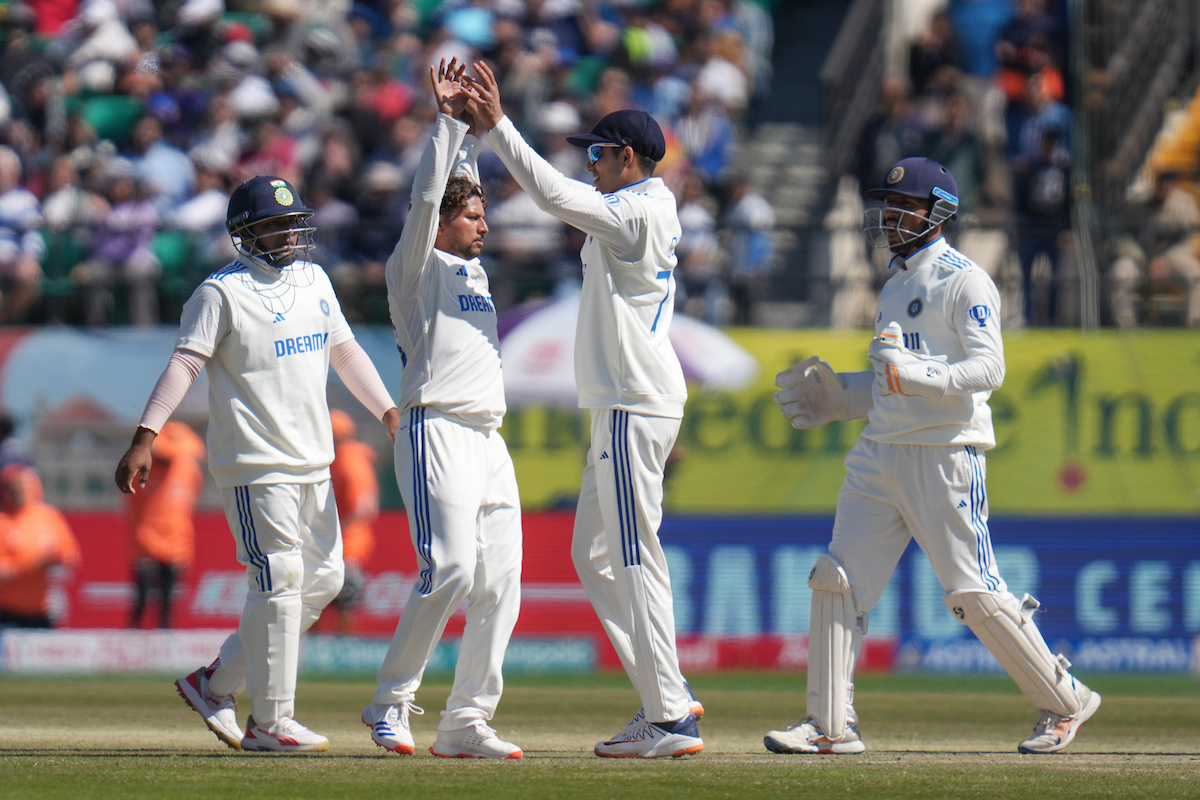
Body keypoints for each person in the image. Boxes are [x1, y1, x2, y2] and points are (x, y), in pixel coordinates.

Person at [766, 156, 1100, 756]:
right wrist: (843, 399)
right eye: (889, 205)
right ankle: (829, 725)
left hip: (944, 453)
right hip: (879, 453)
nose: (893, 215)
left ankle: (1065, 702)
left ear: (939, 212)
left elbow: (988, 368)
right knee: (836, 579)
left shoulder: (965, 279)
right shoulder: (895, 282)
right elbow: (891, 379)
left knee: (973, 591)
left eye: (907, 206)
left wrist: (915, 374)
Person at [464, 61, 704, 759]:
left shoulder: (640, 211)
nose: (592, 165)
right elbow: (569, 195)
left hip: (635, 400)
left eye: (599, 154)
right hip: (620, 403)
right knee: (594, 554)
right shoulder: (632, 211)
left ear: (627, 157)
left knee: (632, 553)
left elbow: (552, 194)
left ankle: (667, 716)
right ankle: (668, 693)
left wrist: (498, 127)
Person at [115, 174, 400, 753]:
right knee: (278, 584)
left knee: (321, 581)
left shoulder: (315, 279)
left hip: (314, 460)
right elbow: (183, 366)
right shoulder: (220, 293)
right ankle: (271, 723)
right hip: (254, 463)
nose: (289, 233)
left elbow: (345, 352)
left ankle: (214, 683)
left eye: (294, 222)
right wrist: (146, 436)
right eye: (274, 224)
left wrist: (389, 411)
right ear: (245, 234)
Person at [361, 59, 524, 761]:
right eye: (472, 215)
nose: (483, 222)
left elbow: (459, 185)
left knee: (499, 585)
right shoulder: (415, 269)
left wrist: (478, 134)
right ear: (439, 226)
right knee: (451, 569)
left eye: (484, 212)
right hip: (435, 429)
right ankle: (389, 703)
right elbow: (431, 195)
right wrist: (448, 124)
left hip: (489, 439)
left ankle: (465, 721)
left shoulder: (476, 270)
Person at [125, 420, 205, 629]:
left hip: (178, 543)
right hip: (145, 542)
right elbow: (131, 505)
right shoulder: (142, 469)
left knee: (168, 601)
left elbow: (189, 503)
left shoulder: (189, 470)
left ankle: (164, 643)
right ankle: (131, 644)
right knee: (141, 598)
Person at [0, 464, 80, 628]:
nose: (17, 493)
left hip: (41, 610)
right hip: (6, 611)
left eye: (21, 487)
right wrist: (32, 565)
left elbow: (71, 554)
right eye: (11, 488)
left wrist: (56, 559)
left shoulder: (48, 516)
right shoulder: (2, 521)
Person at [322, 408, 379, 633]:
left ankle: (341, 654)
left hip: (347, 544)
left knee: (341, 601)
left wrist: (331, 531)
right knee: (329, 599)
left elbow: (362, 507)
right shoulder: (347, 458)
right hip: (346, 543)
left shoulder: (349, 461)